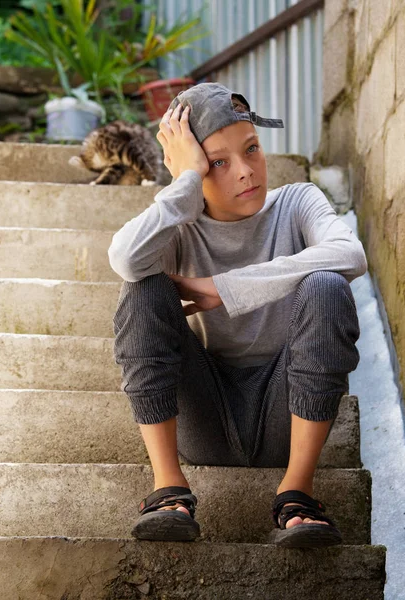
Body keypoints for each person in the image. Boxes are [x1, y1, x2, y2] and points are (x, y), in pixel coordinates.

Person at [108, 82, 367, 548]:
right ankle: (168, 489)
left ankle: (297, 494)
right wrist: (183, 185)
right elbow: (127, 260)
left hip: (287, 414)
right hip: (205, 414)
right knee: (144, 288)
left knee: (327, 283)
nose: (246, 172)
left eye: (252, 149)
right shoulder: (179, 229)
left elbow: (350, 253)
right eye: (218, 163)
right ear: (192, 166)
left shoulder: (297, 202)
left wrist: (224, 289)